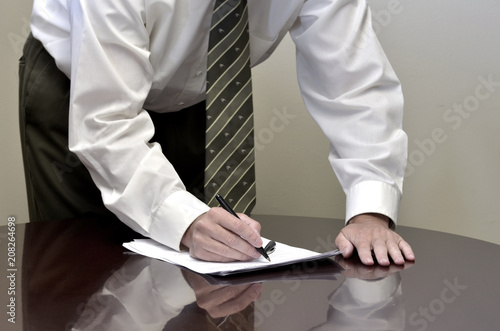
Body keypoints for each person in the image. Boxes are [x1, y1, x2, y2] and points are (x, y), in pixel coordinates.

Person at [19, 0, 414, 266]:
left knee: (197, 279)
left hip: (199, 94)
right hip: (80, 90)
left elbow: (354, 85)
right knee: (80, 273)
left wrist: (371, 213)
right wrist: (185, 221)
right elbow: (105, 120)